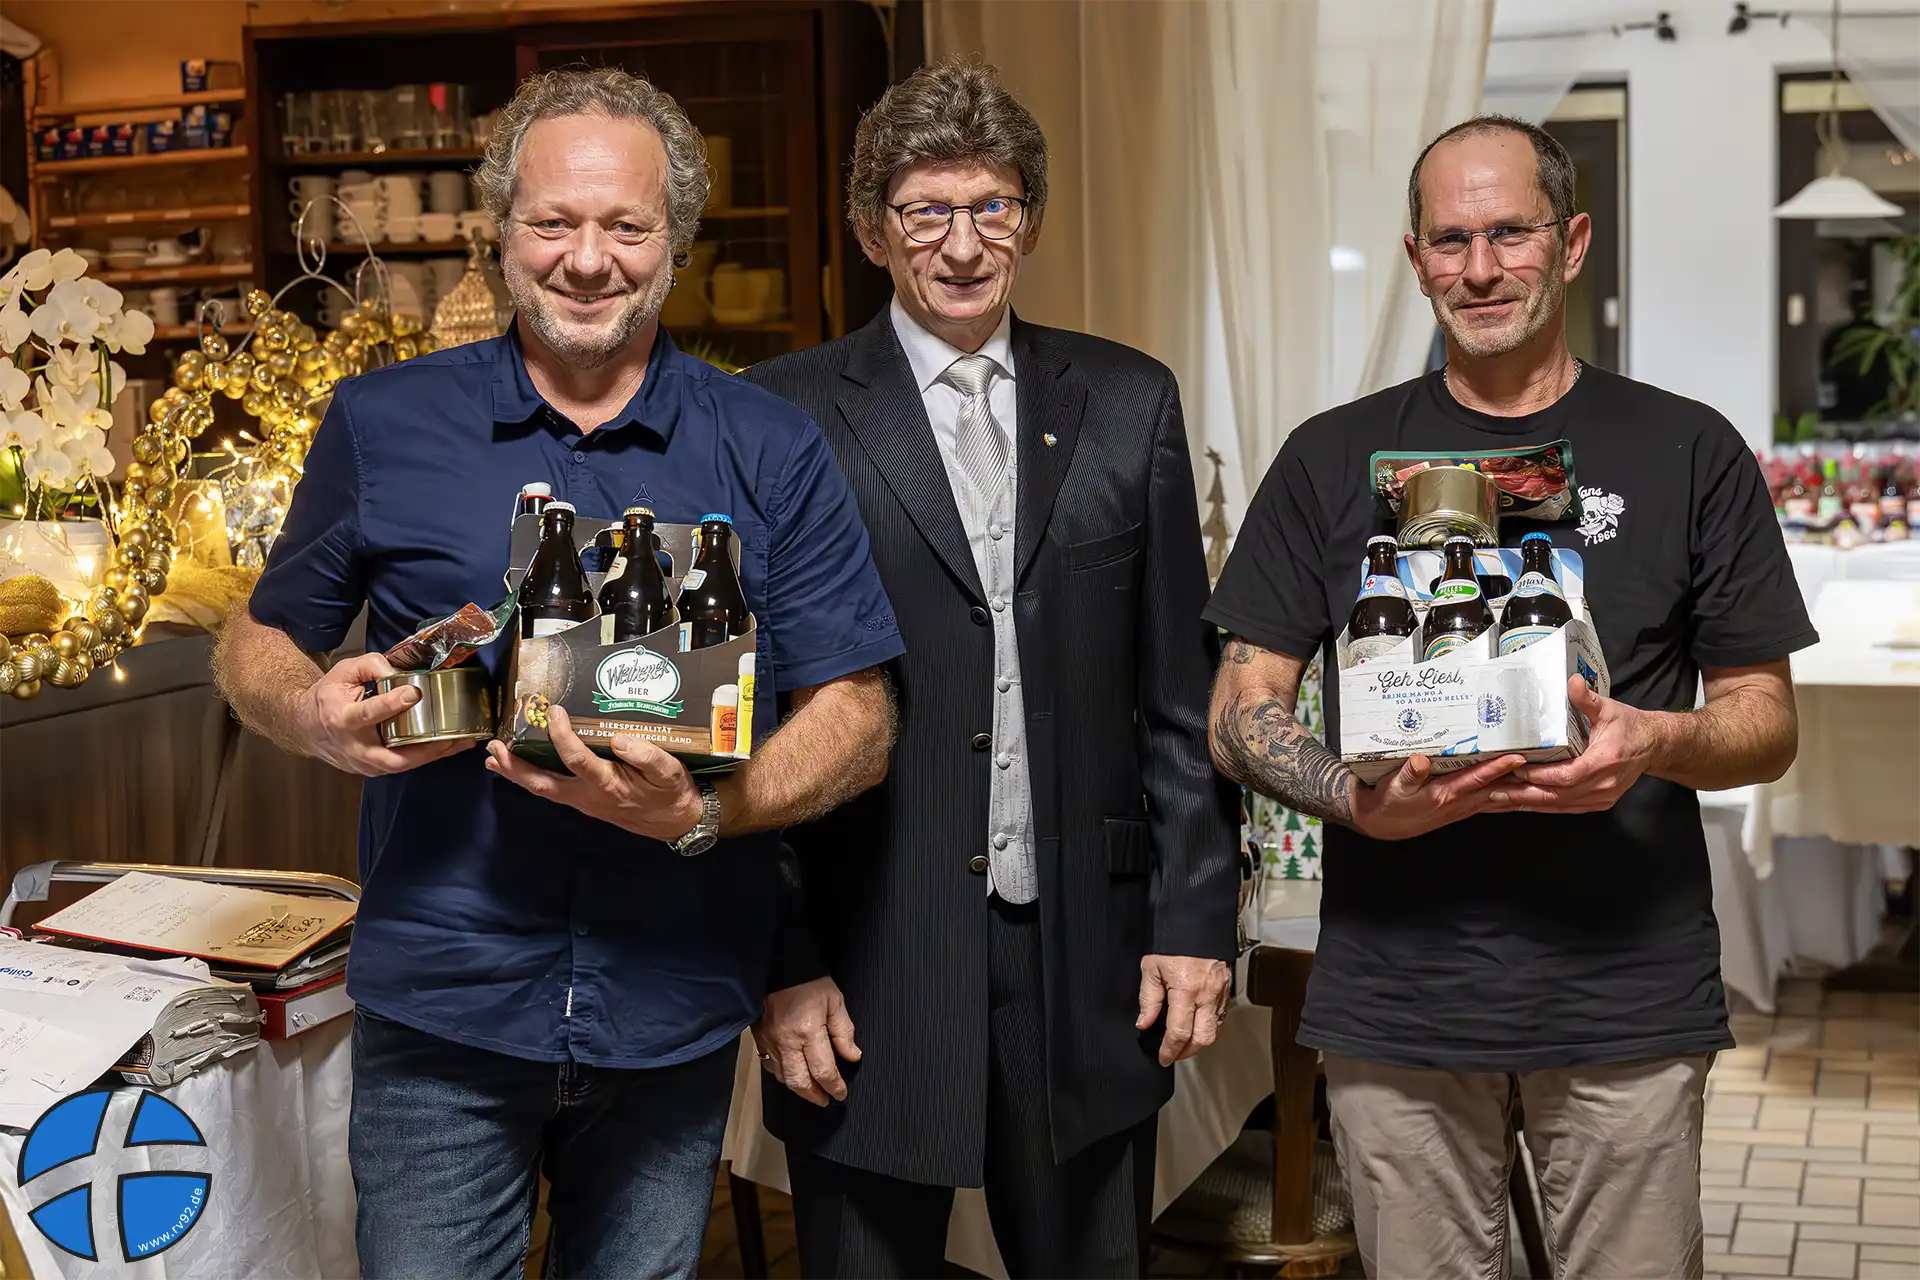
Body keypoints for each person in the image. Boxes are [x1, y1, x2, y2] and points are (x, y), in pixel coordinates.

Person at [213, 67, 904, 1280]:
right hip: (445, 1004)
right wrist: (309, 714)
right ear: (500, 227)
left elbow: (857, 711)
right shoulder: (381, 422)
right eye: (553, 222)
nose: (588, 260)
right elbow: (257, 638)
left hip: (669, 1002)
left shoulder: (771, 445)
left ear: (675, 239)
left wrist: (709, 809)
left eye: (625, 226)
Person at [1206, 114, 1817, 1277]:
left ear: (1571, 242)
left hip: (1625, 993)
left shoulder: (1688, 448)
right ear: (1416, 257)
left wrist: (1652, 738)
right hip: (1401, 999)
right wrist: (1353, 796)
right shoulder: (1331, 457)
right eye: (1451, 240)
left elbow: (1766, 718)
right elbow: (1240, 710)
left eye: (1510, 233)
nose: (1480, 267)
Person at [741, 57, 1240, 1279]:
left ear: (1031, 218)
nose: (963, 245)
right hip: (867, 955)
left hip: (1091, 959)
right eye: (927, 211)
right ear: (874, 230)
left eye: (992, 207)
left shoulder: (1129, 400)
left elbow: (1180, 704)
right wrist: (781, 958)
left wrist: (1193, 923)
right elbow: (748, 721)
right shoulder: (778, 415)